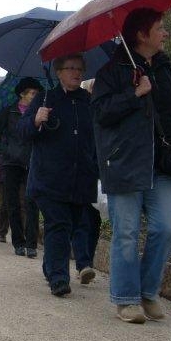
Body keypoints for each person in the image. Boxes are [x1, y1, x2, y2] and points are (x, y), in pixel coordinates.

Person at [91, 8, 171, 323]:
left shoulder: (164, 67)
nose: (165, 33)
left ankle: (148, 291)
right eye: (160, 28)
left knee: (166, 227)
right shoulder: (111, 72)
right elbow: (101, 114)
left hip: (161, 164)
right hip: (125, 162)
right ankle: (126, 300)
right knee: (126, 232)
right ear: (141, 34)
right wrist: (134, 93)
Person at [18, 54, 98, 297]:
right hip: (49, 177)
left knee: (71, 225)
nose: (76, 72)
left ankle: (50, 266)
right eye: (70, 68)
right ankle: (59, 278)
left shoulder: (88, 101)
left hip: (80, 178)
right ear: (59, 72)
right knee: (58, 224)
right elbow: (22, 132)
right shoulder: (45, 99)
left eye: (80, 69)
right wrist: (35, 120)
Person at [0, 77, 43, 258]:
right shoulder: (9, 112)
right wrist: (7, 150)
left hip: (32, 161)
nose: (35, 96)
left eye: (37, 94)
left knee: (31, 203)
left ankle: (32, 244)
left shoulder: (39, 113)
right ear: (22, 94)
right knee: (12, 203)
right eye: (32, 93)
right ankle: (18, 242)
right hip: (11, 163)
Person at [71, 78, 102, 281]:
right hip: (81, 172)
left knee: (94, 222)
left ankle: (87, 261)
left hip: (100, 173)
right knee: (82, 220)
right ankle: (83, 263)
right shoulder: (81, 109)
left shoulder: (106, 110)